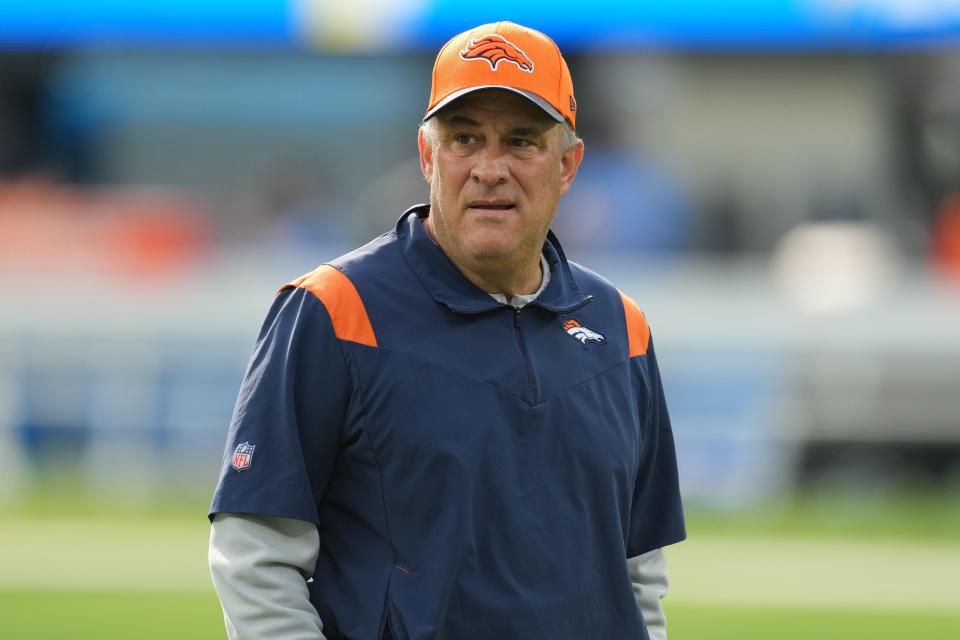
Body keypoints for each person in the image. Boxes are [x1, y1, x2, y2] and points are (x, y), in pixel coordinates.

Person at [209, 21, 685, 640]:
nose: (490, 169)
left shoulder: (622, 329)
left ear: (568, 165)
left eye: (521, 142)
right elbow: (256, 559)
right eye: (465, 139)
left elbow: (639, 574)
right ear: (429, 156)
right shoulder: (333, 310)